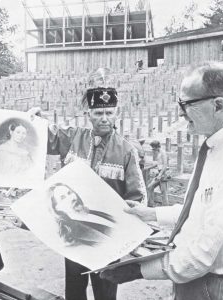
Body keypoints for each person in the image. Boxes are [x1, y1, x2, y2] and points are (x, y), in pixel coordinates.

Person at [100, 62, 223, 300]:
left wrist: (138, 269)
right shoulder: (216, 146)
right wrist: (151, 214)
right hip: (196, 282)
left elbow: (207, 252)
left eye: (186, 104)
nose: (180, 113)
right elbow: (202, 213)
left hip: (218, 289)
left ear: (218, 105)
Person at [30, 69, 147, 300]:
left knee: (105, 291)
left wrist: (127, 234)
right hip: (73, 234)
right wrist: (33, 119)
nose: (104, 118)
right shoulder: (73, 137)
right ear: (89, 114)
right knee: (74, 289)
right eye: (99, 113)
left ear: (117, 114)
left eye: (109, 112)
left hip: (107, 236)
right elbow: (45, 137)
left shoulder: (126, 151)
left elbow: (138, 197)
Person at [49, 183, 116, 247]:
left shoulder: (94, 212)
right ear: (57, 208)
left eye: (70, 193)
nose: (72, 198)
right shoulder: (71, 237)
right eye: (63, 198)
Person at [147, 140, 169, 207]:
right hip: (159, 173)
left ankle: (166, 208)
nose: (153, 149)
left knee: (163, 192)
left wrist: (160, 175)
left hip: (163, 174)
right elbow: (158, 163)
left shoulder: (163, 153)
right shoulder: (159, 153)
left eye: (153, 148)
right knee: (150, 187)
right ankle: (150, 205)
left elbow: (165, 165)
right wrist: (149, 168)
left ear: (156, 147)